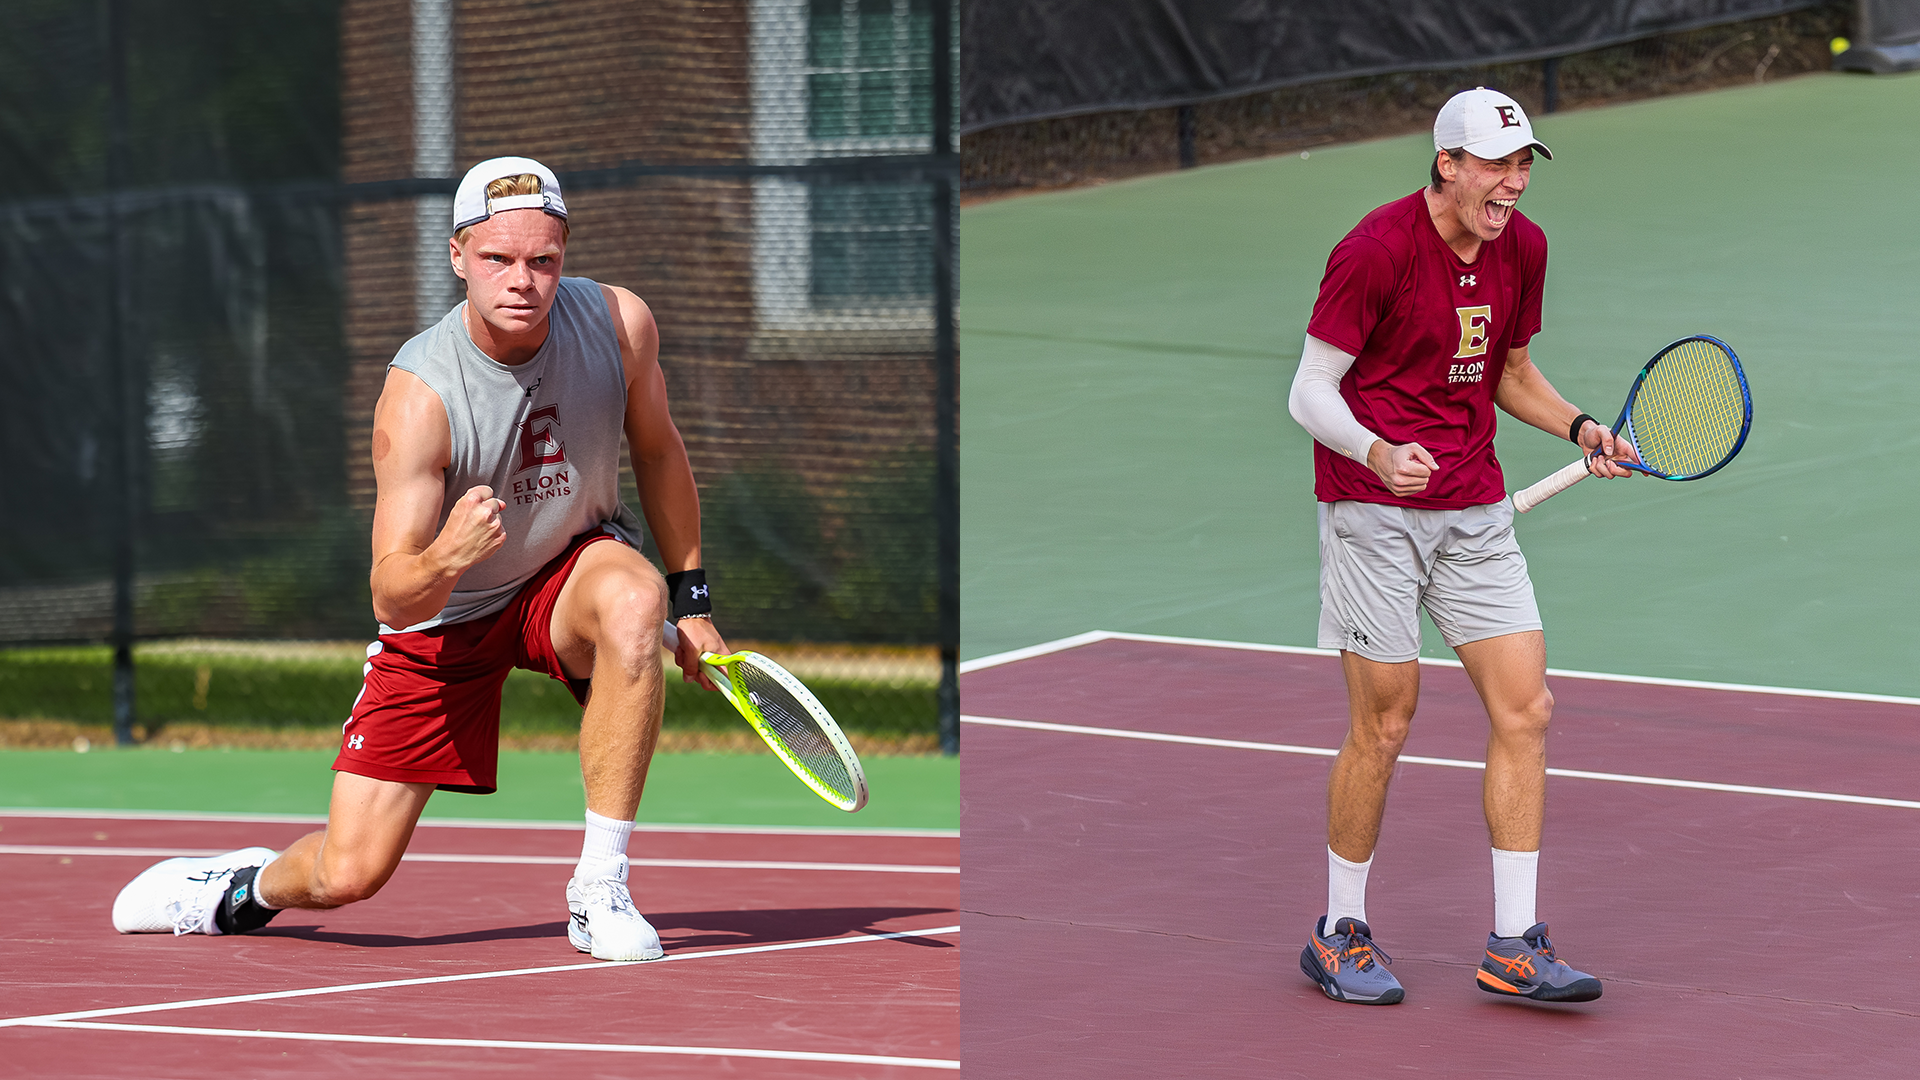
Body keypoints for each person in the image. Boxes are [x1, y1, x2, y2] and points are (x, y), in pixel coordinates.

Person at [111, 156, 729, 962]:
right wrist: (445, 556)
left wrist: (694, 603)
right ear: (456, 257)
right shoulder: (420, 393)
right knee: (347, 873)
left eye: (543, 260)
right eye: (498, 259)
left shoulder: (619, 325)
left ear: (564, 255)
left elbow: (659, 451)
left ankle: (599, 889)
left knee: (634, 598)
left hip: (566, 573)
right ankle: (236, 892)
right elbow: (393, 595)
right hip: (447, 616)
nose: (523, 281)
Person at [1286, 89, 1638, 1004]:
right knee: (1386, 722)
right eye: (1496, 165)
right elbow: (1309, 391)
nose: (1514, 183)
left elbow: (1511, 373)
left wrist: (1582, 428)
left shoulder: (1526, 248)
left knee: (1527, 711)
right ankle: (1339, 930)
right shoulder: (1374, 251)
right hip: (1372, 509)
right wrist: (1372, 448)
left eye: (1523, 165)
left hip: (1474, 506)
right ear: (1447, 163)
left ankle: (1514, 943)